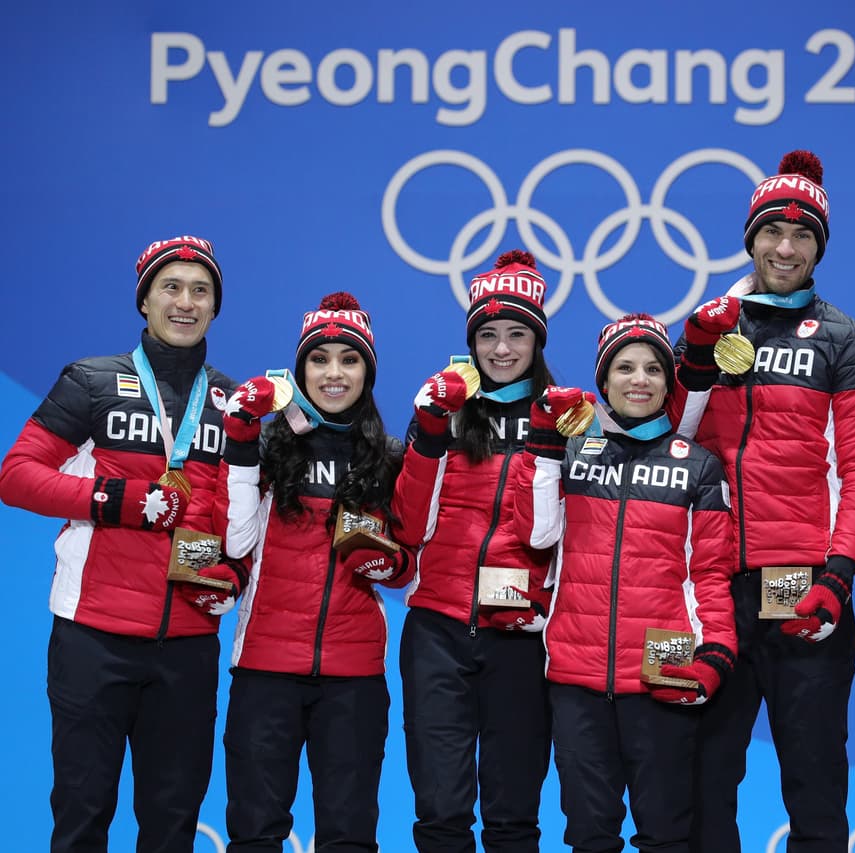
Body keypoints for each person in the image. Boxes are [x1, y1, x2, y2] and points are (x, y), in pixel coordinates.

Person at [675, 150, 855, 851]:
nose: (786, 248)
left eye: (803, 236)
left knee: (815, 782)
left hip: (804, 588)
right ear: (751, 238)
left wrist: (839, 573)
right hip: (713, 588)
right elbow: (670, 437)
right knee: (701, 780)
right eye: (773, 233)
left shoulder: (847, 340)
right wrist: (696, 359)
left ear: (819, 246)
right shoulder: (711, 325)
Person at [0, 236, 238, 852]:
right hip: (93, 638)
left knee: (172, 827)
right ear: (144, 302)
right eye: (171, 287)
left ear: (215, 307)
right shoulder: (90, 380)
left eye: (200, 291)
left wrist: (233, 572)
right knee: (82, 819)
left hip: (187, 647)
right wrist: (114, 500)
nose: (185, 303)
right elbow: (17, 476)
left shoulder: (232, 402)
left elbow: (244, 515)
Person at [512, 313, 737, 853]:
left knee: (665, 835)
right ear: (603, 381)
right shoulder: (569, 455)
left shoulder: (699, 468)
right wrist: (542, 450)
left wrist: (717, 653)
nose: (640, 380)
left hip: (663, 678)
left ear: (668, 383)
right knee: (589, 835)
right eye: (625, 368)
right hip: (576, 680)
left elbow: (709, 573)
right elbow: (538, 535)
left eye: (653, 370)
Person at [214, 292, 412, 851]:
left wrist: (389, 562)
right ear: (299, 369)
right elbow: (234, 542)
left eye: (349, 360)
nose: (333, 373)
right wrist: (242, 442)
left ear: (367, 373)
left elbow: (407, 570)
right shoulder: (265, 446)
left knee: (348, 838)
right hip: (264, 669)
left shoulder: (390, 457)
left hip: (354, 677)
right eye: (319, 359)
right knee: (254, 835)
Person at [390, 250, 556, 852]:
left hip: (523, 637)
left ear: (538, 340)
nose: (502, 349)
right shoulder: (442, 410)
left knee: (514, 818)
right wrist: (430, 432)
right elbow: (408, 525)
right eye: (488, 334)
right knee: (440, 814)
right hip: (436, 627)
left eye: (517, 333)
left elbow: (576, 533)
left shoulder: (567, 416)